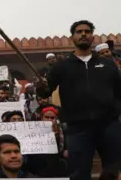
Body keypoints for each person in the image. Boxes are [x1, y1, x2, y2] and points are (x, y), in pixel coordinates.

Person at [44, 20, 121, 180]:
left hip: (109, 125)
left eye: (87, 31)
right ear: (72, 37)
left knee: (114, 171)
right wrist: (41, 85)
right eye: (79, 31)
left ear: (93, 37)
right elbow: (45, 91)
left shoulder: (107, 64)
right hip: (78, 128)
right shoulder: (62, 67)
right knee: (79, 173)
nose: (83, 34)